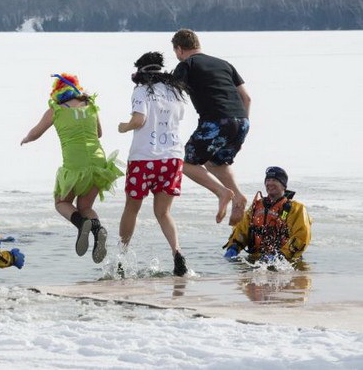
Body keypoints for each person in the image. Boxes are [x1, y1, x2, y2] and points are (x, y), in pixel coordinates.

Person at [21, 73, 123, 263]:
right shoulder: (90, 105)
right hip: (98, 162)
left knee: (61, 202)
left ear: (57, 92)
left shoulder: (56, 110)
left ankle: (81, 223)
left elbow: (37, 132)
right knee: (85, 206)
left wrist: (26, 138)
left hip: (75, 163)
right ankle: (97, 228)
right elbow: (99, 133)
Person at [118, 52, 189, 276]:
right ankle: (177, 252)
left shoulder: (140, 91)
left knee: (132, 208)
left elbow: (140, 120)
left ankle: (121, 254)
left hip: (144, 157)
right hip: (172, 157)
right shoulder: (176, 92)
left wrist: (125, 127)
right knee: (163, 212)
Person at [171, 29, 251, 225]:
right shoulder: (224, 64)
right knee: (215, 162)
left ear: (179, 49)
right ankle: (239, 196)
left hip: (216, 121)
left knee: (187, 164)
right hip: (241, 122)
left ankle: (222, 192)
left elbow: (171, 93)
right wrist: (241, 124)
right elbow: (246, 98)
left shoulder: (186, 65)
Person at [223, 167, 312, 263]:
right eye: (268, 180)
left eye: (274, 180)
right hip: (255, 261)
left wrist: (281, 256)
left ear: (283, 185)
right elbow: (242, 229)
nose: (270, 183)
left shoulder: (296, 208)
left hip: (287, 264)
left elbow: (302, 236)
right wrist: (233, 247)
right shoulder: (255, 207)